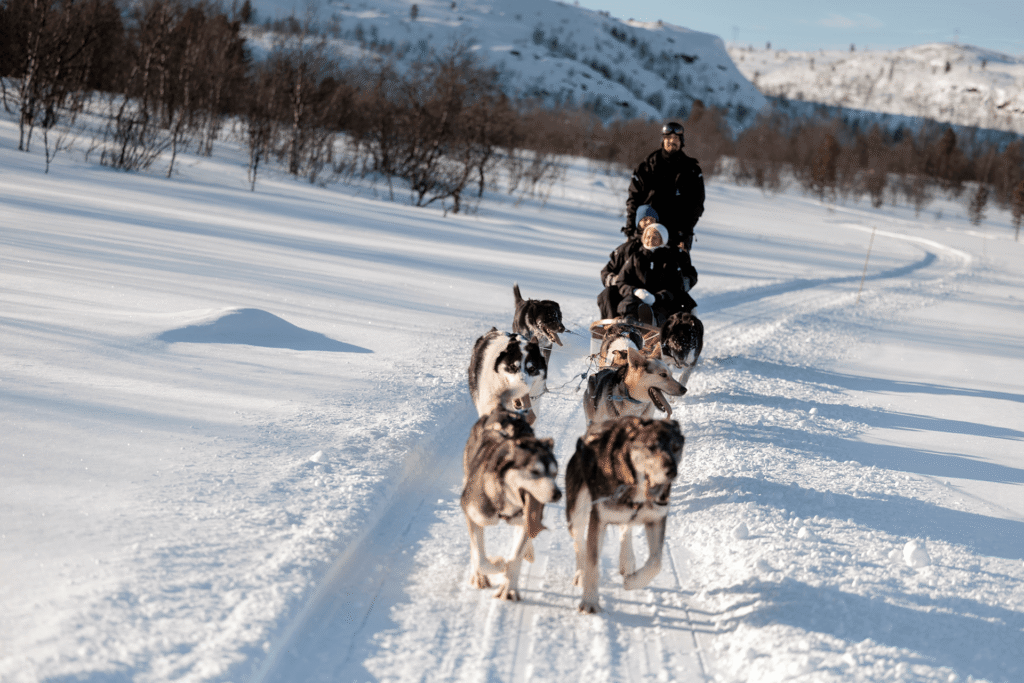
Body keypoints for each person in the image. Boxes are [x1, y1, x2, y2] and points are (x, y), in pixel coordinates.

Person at [624, 121, 705, 252]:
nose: (672, 141)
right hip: (647, 231)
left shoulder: (692, 171)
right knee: (633, 262)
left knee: (677, 265)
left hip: (677, 234)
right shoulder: (646, 167)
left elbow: (696, 206)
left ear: (681, 141)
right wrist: (630, 230)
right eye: (668, 138)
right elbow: (634, 199)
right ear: (663, 140)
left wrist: (685, 233)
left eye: (676, 138)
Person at [614, 221, 698, 325]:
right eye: (648, 237)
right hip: (637, 299)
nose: (650, 240)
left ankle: (653, 322)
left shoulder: (669, 260)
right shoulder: (636, 257)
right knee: (629, 303)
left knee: (665, 309)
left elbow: (676, 287)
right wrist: (635, 291)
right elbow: (622, 281)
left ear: (662, 240)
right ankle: (629, 322)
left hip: (662, 301)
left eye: (654, 238)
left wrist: (657, 297)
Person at [597, 204, 658, 319]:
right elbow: (606, 272)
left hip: (652, 294)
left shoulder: (661, 248)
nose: (648, 222)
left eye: (652, 219)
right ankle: (613, 324)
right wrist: (618, 281)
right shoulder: (626, 249)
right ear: (638, 223)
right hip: (627, 291)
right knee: (607, 294)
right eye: (644, 219)